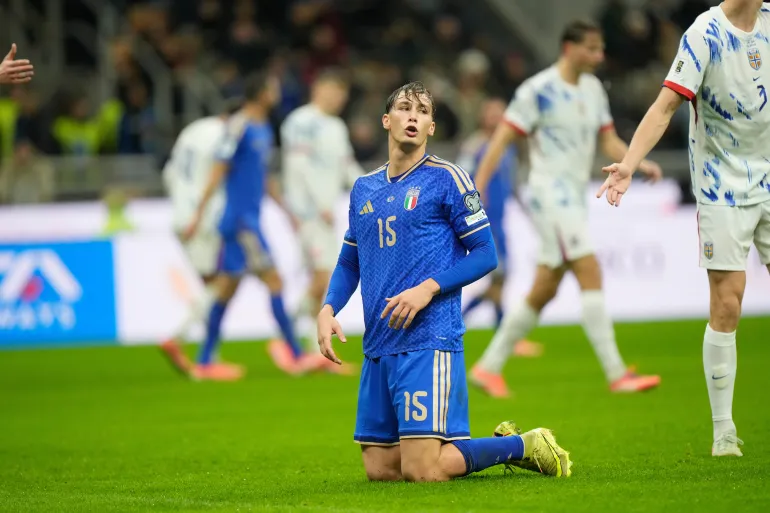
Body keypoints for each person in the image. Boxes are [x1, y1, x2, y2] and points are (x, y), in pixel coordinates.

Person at [316, 81, 572, 482]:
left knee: (424, 471)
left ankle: (523, 444)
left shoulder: (448, 178)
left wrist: (427, 288)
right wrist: (328, 308)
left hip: (429, 338)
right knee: (381, 471)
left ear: (431, 127)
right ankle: (499, 444)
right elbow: (351, 260)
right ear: (386, 120)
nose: (413, 116)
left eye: (422, 111)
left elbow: (485, 253)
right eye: (404, 108)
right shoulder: (364, 188)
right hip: (379, 342)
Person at [597, 0, 770, 457]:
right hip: (722, 186)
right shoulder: (704, 34)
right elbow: (665, 106)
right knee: (728, 301)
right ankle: (724, 431)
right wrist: (629, 164)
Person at [471, 20, 663, 398]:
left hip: (574, 197)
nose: (599, 55)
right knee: (589, 268)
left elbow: (608, 140)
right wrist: (478, 185)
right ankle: (616, 373)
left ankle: (487, 368)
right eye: (591, 48)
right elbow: (502, 138)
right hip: (549, 195)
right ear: (568, 48)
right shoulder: (537, 90)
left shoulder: (593, 89)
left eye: (600, 48)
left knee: (544, 288)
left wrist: (636, 161)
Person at [183, 72, 312, 381]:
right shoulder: (239, 125)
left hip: (248, 221)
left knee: (227, 288)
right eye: (274, 88)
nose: (278, 93)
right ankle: (296, 354)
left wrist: (285, 210)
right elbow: (218, 169)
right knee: (275, 281)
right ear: (262, 93)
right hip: (242, 223)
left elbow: (264, 176)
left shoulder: (264, 128)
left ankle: (204, 360)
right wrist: (198, 213)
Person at [278, 70, 362, 374]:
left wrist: (373, 191)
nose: (338, 98)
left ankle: (317, 353)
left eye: (342, 94)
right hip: (309, 212)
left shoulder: (336, 126)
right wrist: (317, 204)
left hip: (324, 213)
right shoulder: (301, 121)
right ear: (318, 88)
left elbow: (347, 165)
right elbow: (298, 166)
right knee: (322, 277)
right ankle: (284, 331)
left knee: (321, 280)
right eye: (333, 91)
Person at [457, 98, 543, 359]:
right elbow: (460, 179)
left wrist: (530, 214)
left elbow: (512, 185)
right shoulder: (474, 146)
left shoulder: (508, 149)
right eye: (491, 113)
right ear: (483, 117)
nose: (495, 118)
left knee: (500, 281)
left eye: (499, 113)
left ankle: (484, 331)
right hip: (483, 224)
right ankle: (498, 335)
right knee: (499, 277)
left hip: (501, 224)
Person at [159, 103, 238, 374]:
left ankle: (209, 357)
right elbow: (219, 175)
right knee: (224, 282)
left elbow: (169, 174)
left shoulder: (192, 131)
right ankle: (178, 337)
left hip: (180, 214)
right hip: (203, 218)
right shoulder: (226, 135)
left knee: (211, 285)